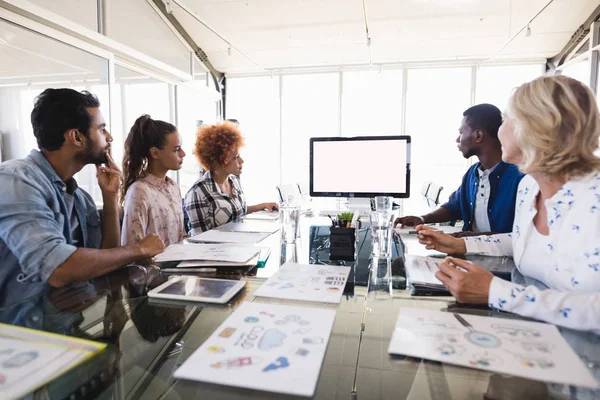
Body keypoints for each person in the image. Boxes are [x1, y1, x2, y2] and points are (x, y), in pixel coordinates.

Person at [417, 75, 600, 332]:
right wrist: (460, 244)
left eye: (505, 121)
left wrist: (497, 292)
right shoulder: (530, 187)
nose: (498, 131)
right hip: (534, 338)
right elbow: (519, 240)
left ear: (537, 126)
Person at [0, 89, 164, 307]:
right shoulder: (16, 180)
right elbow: (58, 268)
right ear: (76, 137)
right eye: (102, 129)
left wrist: (110, 196)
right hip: (20, 332)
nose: (110, 137)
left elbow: (107, 260)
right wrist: (139, 249)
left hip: (66, 324)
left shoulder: (78, 197)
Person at [395, 104, 524, 235]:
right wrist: (422, 219)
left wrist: (474, 238)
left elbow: (520, 236)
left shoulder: (520, 178)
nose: (458, 139)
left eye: (461, 132)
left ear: (478, 135)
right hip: (470, 250)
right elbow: (454, 207)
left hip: (500, 254)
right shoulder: (473, 173)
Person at [184, 121, 278, 234]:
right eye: (235, 157)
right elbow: (198, 239)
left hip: (237, 246)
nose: (241, 161)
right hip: (216, 250)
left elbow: (236, 212)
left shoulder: (233, 181)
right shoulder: (198, 192)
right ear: (219, 160)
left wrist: (262, 205)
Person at [121, 115, 186, 248]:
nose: (183, 153)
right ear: (155, 153)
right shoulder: (139, 191)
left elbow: (180, 237)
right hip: (153, 268)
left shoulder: (173, 186)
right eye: (176, 149)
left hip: (176, 265)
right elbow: (131, 249)